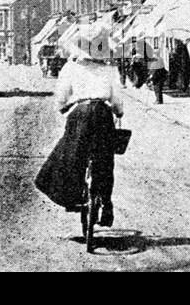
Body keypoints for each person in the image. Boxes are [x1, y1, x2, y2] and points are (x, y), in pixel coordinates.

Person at [34, 39, 125, 228]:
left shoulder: (71, 68)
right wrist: (118, 112)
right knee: (105, 160)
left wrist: (62, 107)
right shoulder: (110, 69)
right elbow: (117, 100)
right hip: (102, 113)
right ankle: (106, 205)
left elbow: (61, 97)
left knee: (69, 154)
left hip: (80, 114)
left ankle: (72, 197)